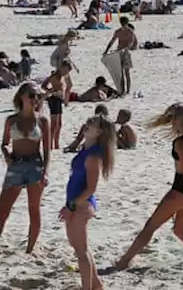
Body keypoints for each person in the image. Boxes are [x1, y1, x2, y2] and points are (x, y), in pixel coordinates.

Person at [115, 103, 183, 271]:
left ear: (180, 119)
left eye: (173, 117)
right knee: (180, 231)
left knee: (150, 226)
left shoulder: (181, 142)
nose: (171, 121)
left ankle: (124, 262)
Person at [0, 82, 51, 253]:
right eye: (32, 95)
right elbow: (5, 143)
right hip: (16, 164)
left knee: (34, 209)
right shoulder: (12, 120)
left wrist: (46, 172)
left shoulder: (43, 121)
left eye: (38, 96)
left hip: (35, 165)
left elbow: (47, 150)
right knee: (3, 210)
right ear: (21, 96)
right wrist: (7, 156)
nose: (35, 99)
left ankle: (30, 249)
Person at [61, 114, 116, 290]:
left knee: (81, 251)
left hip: (81, 204)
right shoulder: (86, 150)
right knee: (80, 247)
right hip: (76, 202)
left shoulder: (93, 156)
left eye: (92, 124)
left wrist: (71, 206)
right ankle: (97, 285)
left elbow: (91, 188)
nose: (87, 124)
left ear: (100, 132)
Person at [102, 16, 138, 95]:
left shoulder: (130, 32)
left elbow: (131, 43)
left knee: (126, 73)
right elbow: (112, 41)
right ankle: (123, 90)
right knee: (121, 73)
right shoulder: (120, 31)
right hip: (119, 52)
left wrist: (126, 48)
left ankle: (127, 91)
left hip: (125, 53)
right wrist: (106, 51)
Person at [43, 61, 73, 150]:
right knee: (54, 124)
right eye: (66, 70)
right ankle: (50, 144)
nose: (66, 72)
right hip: (54, 99)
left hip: (59, 99)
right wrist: (51, 91)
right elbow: (44, 85)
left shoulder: (60, 76)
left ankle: (56, 144)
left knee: (59, 124)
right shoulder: (54, 76)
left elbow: (69, 85)